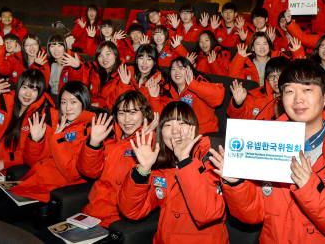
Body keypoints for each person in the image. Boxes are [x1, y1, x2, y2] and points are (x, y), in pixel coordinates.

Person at [210, 59, 325, 243]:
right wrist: (237, 184)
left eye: (307, 90)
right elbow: (252, 216)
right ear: (282, 99)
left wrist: (310, 188)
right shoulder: (267, 140)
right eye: (289, 91)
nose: (298, 99)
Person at [118, 101, 229, 243]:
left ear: (194, 128)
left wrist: (185, 161)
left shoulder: (213, 161)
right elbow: (131, 211)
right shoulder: (161, 169)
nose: (175, 131)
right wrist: (142, 171)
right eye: (168, 125)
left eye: (182, 124)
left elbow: (206, 214)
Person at [78, 91, 158, 227]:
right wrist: (93, 144)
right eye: (122, 113)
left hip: (116, 222)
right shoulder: (111, 139)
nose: (127, 120)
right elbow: (88, 172)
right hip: (92, 213)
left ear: (144, 114)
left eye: (133, 113)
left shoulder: (148, 145)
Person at [8, 81, 96, 202]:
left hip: (52, 192)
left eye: (73, 102)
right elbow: (31, 162)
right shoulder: (57, 123)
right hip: (34, 183)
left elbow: (71, 173)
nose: (68, 107)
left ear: (84, 103)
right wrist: (35, 140)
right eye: (64, 102)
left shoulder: (90, 130)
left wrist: (58, 139)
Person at [167, 57, 224, 134]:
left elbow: (218, 97)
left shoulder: (199, 84)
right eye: (173, 69)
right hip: (181, 134)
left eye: (181, 68)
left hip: (204, 134)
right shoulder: (169, 90)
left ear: (189, 70)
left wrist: (193, 85)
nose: (177, 72)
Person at [227, 56, 290, 120]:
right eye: (271, 76)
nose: (275, 79)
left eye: (280, 74)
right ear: (267, 79)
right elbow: (236, 120)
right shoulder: (255, 95)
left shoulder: (296, 99)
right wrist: (238, 105)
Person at [80, 41, 122, 109]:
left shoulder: (123, 72)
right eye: (100, 55)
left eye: (108, 54)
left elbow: (121, 101)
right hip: (90, 108)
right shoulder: (94, 70)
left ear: (116, 55)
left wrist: (101, 105)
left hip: (110, 112)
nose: (104, 58)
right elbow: (83, 90)